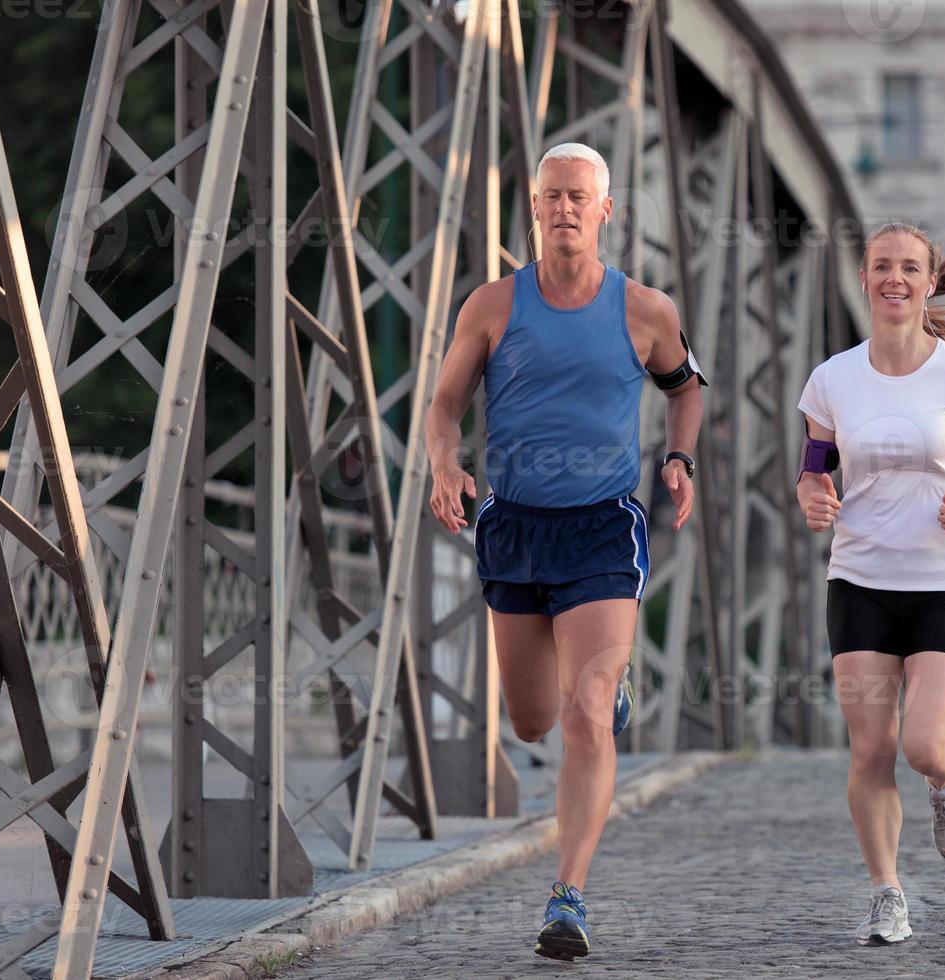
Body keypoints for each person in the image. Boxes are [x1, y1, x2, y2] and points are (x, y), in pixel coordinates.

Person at [425, 142, 706, 961]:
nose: (565, 209)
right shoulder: (492, 305)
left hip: (601, 527)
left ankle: (567, 897)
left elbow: (686, 387)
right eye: (552, 197)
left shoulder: (643, 310)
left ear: (605, 210)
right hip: (513, 526)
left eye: (579, 196)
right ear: (536, 210)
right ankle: (602, 703)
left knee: (584, 714)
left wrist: (679, 458)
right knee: (534, 717)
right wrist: (446, 462)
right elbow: (443, 403)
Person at [795, 222, 945, 946]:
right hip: (859, 578)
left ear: (927, 283)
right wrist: (812, 495)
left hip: (944, 584)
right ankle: (886, 893)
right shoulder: (832, 380)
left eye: (908, 268)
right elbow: (813, 465)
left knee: (924, 744)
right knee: (868, 751)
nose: (894, 278)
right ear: (863, 278)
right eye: (881, 266)